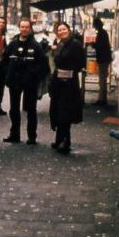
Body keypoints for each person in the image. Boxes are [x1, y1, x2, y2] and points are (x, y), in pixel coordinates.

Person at [3, 18, 46, 145]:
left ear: (30, 28)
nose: (24, 29)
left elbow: (43, 64)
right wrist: (8, 74)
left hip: (30, 83)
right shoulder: (13, 44)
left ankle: (32, 136)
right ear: (19, 28)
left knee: (31, 110)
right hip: (14, 82)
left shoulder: (36, 46)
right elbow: (5, 61)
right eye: (22, 27)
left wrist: (33, 74)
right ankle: (14, 134)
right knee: (14, 110)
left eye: (27, 27)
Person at [49, 21, 85, 154]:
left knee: (65, 113)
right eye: (59, 30)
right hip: (58, 83)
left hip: (69, 84)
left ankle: (65, 141)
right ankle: (59, 139)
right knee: (58, 111)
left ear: (68, 30)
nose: (62, 32)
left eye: (64, 29)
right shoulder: (60, 43)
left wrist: (71, 72)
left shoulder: (75, 44)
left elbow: (81, 62)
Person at [93, 16, 112, 107]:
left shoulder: (101, 33)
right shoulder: (103, 32)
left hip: (103, 59)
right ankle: (102, 99)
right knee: (102, 79)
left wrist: (93, 44)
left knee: (102, 79)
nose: (94, 26)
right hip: (105, 58)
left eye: (94, 25)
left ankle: (102, 100)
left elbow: (99, 46)